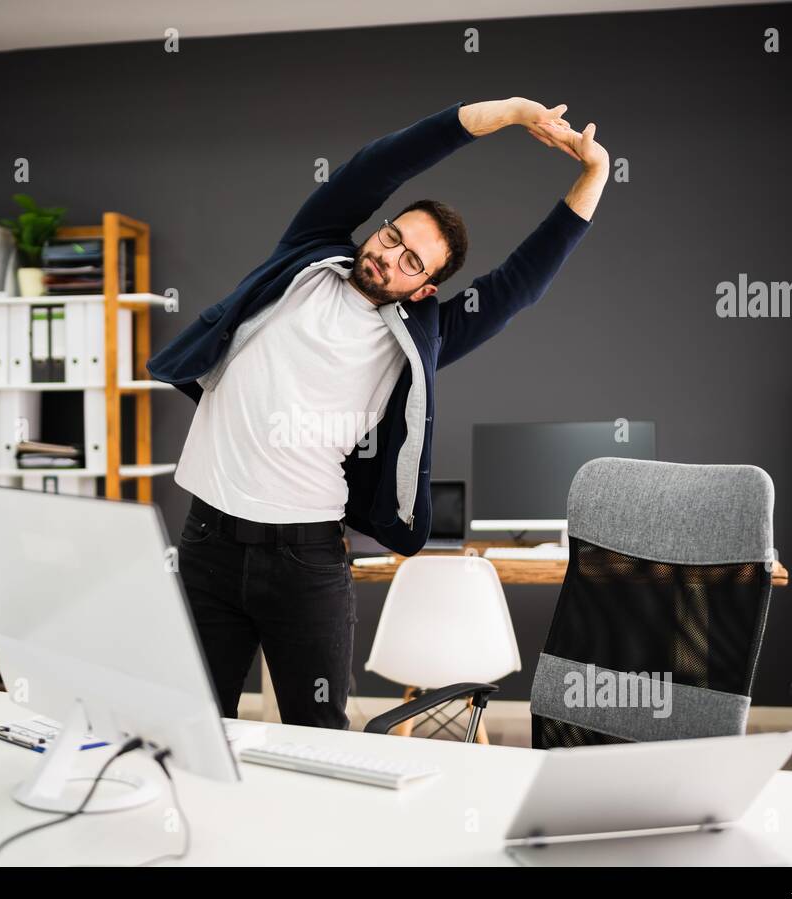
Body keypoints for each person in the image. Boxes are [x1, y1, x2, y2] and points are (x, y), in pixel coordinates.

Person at [147, 97, 608, 728]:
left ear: (424, 288)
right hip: (206, 541)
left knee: (321, 739)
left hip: (304, 560)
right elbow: (378, 165)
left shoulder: (417, 342)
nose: (389, 255)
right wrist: (506, 113)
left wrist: (594, 176)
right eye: (394, 236)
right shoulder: (307, 257)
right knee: (196, 728)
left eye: (412, 260)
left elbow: (519, 284)